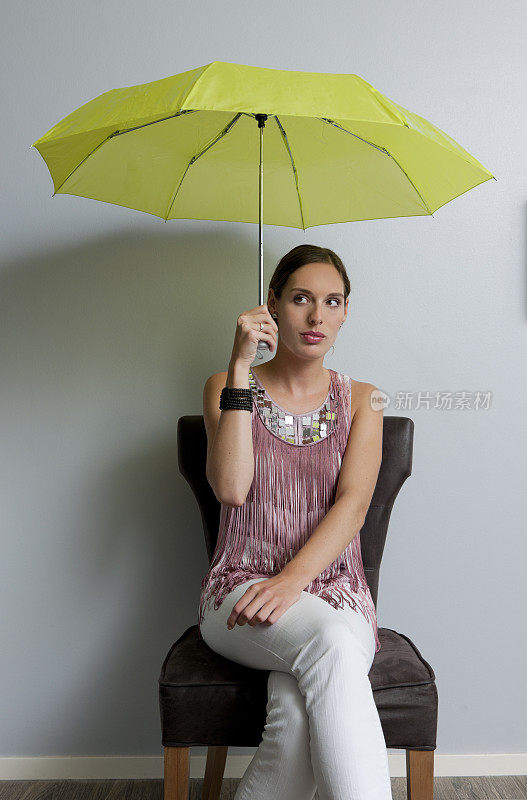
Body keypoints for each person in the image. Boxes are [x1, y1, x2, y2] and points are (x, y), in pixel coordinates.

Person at [198, 244, 392, 800]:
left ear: (346, 311)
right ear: (272, 304)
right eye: (301, 298)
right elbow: (231, 489)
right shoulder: (225, 384)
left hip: (338, 593)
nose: (316, 317)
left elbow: (353, 506)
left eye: (332, 302)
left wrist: (292, 582)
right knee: (330, 647)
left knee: (298, 712)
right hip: (240, 590)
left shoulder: (363, 400)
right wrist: (239, 365)